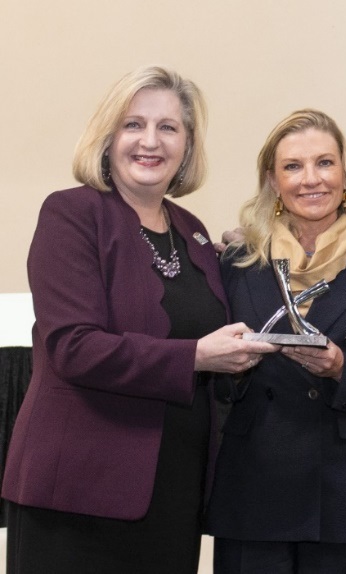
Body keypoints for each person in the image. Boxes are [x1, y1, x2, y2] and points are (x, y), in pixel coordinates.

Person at [1, 66, 277, 574]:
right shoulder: (70, 214)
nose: (150, 141)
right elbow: (75, 347)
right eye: (133, 125)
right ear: (107, 138)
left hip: (171, 494)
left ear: (188, 147)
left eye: (168, 128)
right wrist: (195, 356)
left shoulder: (193, 235)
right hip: (76, 497)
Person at [207, 109, 346, 574]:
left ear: (345, 175)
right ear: (272, 181)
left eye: (324, 162)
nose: (310, 179)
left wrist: (343, 369)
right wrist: (234, 367)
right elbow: (212, 384)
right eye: (292, 166)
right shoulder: (237, 262)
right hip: (253, 492)